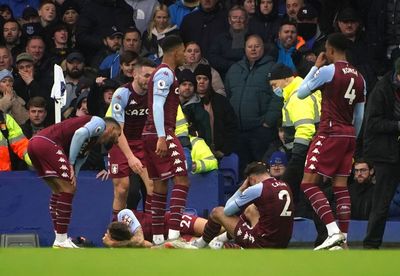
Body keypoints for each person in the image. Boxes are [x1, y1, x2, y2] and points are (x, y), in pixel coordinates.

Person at [297, 32, 366, 250]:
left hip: (329, 132)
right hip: (349, 135)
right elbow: (360, 114)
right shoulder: (360, 77)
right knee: (340, 186)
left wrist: (314, 68)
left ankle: (333, 231)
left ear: (331, 50)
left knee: (308, 184)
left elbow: (300, 93)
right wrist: (352, 135)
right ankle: (343, 241)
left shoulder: (329, 71)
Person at [27, 115, 122, 248]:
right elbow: (79, 134)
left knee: (59, 190)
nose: (117, 140)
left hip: (33, 144)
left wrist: (74, 176)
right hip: (47, 143)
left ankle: (59, 238)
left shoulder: (92, 140)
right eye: (117, 135)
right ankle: (62, 239)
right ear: (111, 128)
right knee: (68, 189)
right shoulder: (99, 123)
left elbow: (80, 158)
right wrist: (70, 163)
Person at [142, 35, 189, 245]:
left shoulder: (164, 73)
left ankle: (159, 237)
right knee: (182, 180)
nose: (186, 55)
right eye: (184, 51)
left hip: (152, 133)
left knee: (160, 185)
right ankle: (175, 235)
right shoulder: (164, 73)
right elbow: (157, 106)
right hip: (161, 133)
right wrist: (162, 136)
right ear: (174, 52)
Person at [187, 161, 294, 249]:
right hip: (282, 244)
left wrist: (241, 189)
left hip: (262, 244)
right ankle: (219, 240)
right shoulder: (285, 185)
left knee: (217, 212)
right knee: (251, 209)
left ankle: (200, 244)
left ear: (251, 179)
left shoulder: (257, 188)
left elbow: (227, 211)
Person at [268, 62, 321, 215]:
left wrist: (298, 155)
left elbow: (305, 127)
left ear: (286, 79)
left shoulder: (298, 96)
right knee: (307, 190)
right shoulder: (300, 91)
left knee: (287, 188)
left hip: (305, 151)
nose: (274, 89)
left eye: (275, 84)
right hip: (311, 149)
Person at [107, 57, 157, 221]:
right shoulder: (122, 94)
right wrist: (130, 157)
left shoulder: (155, 96)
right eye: (146, 76)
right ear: (135, 74)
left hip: (143, 143)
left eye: (152, 76)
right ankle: (115, 233)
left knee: (152, 187)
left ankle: (152, 232)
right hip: (121, 142)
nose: (149, 80)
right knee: (123, 189)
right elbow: (117, 130)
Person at [225, 34, 281, 176]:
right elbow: (228, 94)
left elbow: (279, 97)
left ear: (263, 48)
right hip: (238, 131)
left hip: (261, 131)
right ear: (245, 49)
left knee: (262, 170)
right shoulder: (234, 69)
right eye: (250, 46)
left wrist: (268, 122)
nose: (253, 49)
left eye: (257, 46)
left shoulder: (274, 68)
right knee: (241, 171)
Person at [362, 57, 400, 249]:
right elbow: (373, 123)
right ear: (397, 74)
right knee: (381, 204)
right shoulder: (381, 90)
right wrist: (398, 126)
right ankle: (370, 245)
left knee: (382, 204)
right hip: (386, 155)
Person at [102, 208, 208, 248]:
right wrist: (117, 244)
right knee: (205, 244)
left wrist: (114, 244)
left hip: (170, 221)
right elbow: (147, 244)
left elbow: (139, 240)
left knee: (213, 228)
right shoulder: (126, 244)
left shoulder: (123, 215)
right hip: (165, 239)